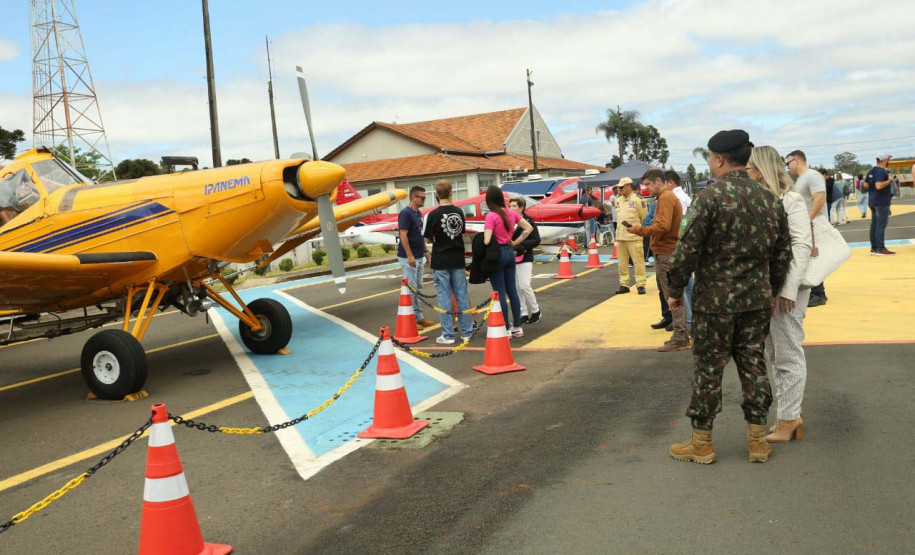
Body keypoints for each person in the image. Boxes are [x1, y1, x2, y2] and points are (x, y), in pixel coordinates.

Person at [667, 129, 791, 465]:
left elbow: (686, 251)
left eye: (709, 157)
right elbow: (783, 254)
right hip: (756, 302)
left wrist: (674, 293)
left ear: (719, 159)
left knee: (709, 369)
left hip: (714, 305)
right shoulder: (769, 199)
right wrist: (771, 289)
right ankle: (757, 441)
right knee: (754, 365)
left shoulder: (709, 198)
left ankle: (702, 443)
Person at [747, 146, 813, 443]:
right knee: (776, 353)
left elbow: (801, 245)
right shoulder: (767, 200)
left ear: (761, 170)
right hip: (771, 288)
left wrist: (787, 289)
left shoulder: (791, 200)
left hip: (790, 288)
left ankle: (790, 418)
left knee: (787, 353)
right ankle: (788, 416)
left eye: (750, 169)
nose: (747, 174)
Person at [629, 168, 688, 351]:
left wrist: (640, 230)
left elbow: (662, 226)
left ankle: (680, 336)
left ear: (657, 181)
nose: (645, 189)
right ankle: (681, 334)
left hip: (667, 252)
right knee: (673, 294)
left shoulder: (665, 198)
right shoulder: (666, 197)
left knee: (672, 295)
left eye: (647, 184)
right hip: (667, 251)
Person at [424, 180, 475, 344]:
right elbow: (461, 233)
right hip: (458, 259)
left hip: (440, 260)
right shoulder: (459, 212)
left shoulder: (432, 215)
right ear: (451, 193)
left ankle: (448, 334)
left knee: (444, 298)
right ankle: (467, 331)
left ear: (437, 195)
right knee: (461, 296)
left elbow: (428, 237)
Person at [483, 185, 533, 338]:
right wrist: (515, 242)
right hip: (510, 252)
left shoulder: (491, 216)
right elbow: (528, 228)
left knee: (500, 292)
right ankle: (517, 326)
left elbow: (486, 240)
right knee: (512, 291)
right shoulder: (511, 213)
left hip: (496, 254)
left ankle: (505, 328)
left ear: (489, 201)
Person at [786, 150, 828, 307]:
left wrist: (808, 220)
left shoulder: (812, 176)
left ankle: (819, 293)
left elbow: (819, 198)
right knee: (808, 257)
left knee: (813, 258)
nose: (788, 166)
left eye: (788, 162)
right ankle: (815, 290)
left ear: (797, 160)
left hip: (814, 224)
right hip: (808, 224)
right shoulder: (801, 179)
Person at [397, 186, 434, 328]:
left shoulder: (419, 213)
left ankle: (418, 316)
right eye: (422, 198)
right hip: (409, 257)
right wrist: (409, 255)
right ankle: (410, 319)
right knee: (411, 288)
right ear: (414, 197)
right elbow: (403, 234)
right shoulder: (406, 214)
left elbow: (420, 235)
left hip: (419, 255)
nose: (424, 200)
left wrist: (426, 251)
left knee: (418, 288)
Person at [666, 170, 694, 329]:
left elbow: (683, 224)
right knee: (688, 286)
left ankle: (687, 322)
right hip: (687, 244)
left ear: (670, 182)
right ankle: (691, 320)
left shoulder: (676, 198)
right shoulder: (685, 197)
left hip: (679, 244)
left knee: (679, 286)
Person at [509, 196, 542, 325]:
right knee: (516, 287)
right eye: (510, 206)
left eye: (514, 206)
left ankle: (535, 310)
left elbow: (536, 239)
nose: (511, 208)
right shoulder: (508, 221)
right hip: (511, 258)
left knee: (524, 285)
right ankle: (523, 313)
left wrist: (520, 247)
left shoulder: (529, 221)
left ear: (521, 207)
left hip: (525, 257)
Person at [613, 177, 647, 294]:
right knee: (622, 262)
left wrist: (641, 231)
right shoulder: (618, 200)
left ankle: (640, 284)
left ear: (628, 186)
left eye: (621, 187)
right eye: (619, 187)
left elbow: (644, 218)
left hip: (634, 237)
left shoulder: (639, 201)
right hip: (621, 237)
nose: (619, 189)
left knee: (638, 261)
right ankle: (624, 284)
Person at [866, 152, 895, 256]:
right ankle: (880, 248)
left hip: (872, 201)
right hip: (881, 202)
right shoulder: (882, 171)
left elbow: (865, 184)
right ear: (884, 160)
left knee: (874, 225)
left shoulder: (871, 170)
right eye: (888, 159)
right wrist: (889, 180)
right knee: (880, 225)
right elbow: (879, 186)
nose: (888, 161)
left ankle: (874, 248)